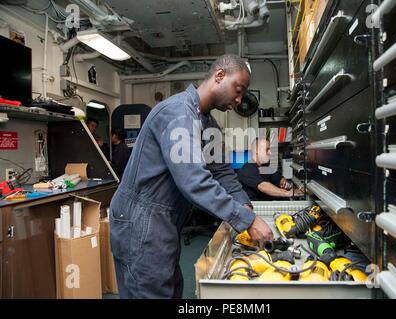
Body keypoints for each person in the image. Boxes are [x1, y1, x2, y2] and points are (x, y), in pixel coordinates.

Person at [109, 54, 273, 299]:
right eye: (238, 90)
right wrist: (246, 221)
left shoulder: (207, 124)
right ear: (219, 76)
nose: (239, 100)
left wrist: (244, 205)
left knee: (172, 288)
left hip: (165, 219)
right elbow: (193, 180)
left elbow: (222, 171)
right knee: (151, 292)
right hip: (141, 219)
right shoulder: (178, 113)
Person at [238, 138, 304, 201]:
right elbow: (263, 186)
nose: (270, 153)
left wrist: (284, 182)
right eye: (267, 149)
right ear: (256, 150)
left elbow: (278, 178)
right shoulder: (246, 169)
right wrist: (288, 193)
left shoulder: (267, 166)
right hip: (257, 208)